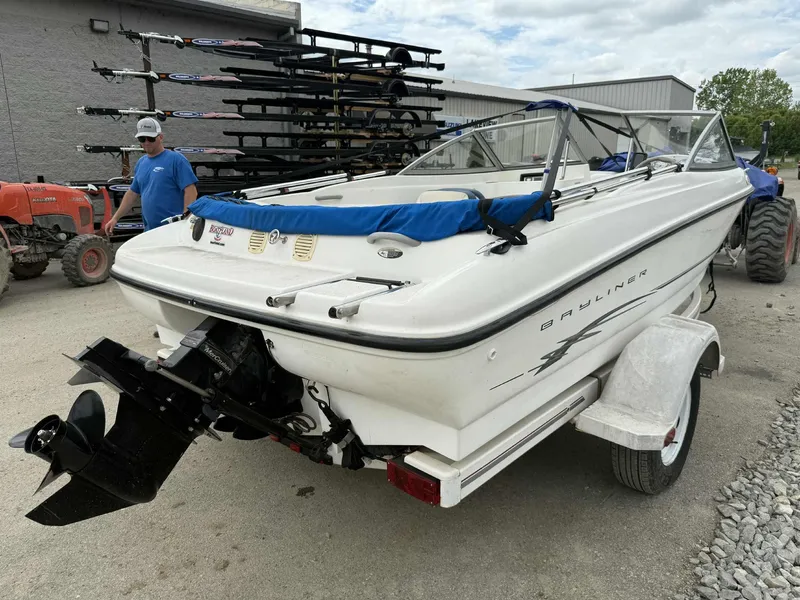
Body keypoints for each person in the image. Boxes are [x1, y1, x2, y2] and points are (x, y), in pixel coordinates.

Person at [104, 117, 198, 236]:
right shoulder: (141, 163)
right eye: (142, 139)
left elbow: (191, 191)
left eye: (151, 138)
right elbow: (132, 193)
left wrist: (186, 220)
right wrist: (115, 218)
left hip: (173, 231)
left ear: (161, 137)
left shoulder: (176, 160)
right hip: (150, 231)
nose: (146, 142)